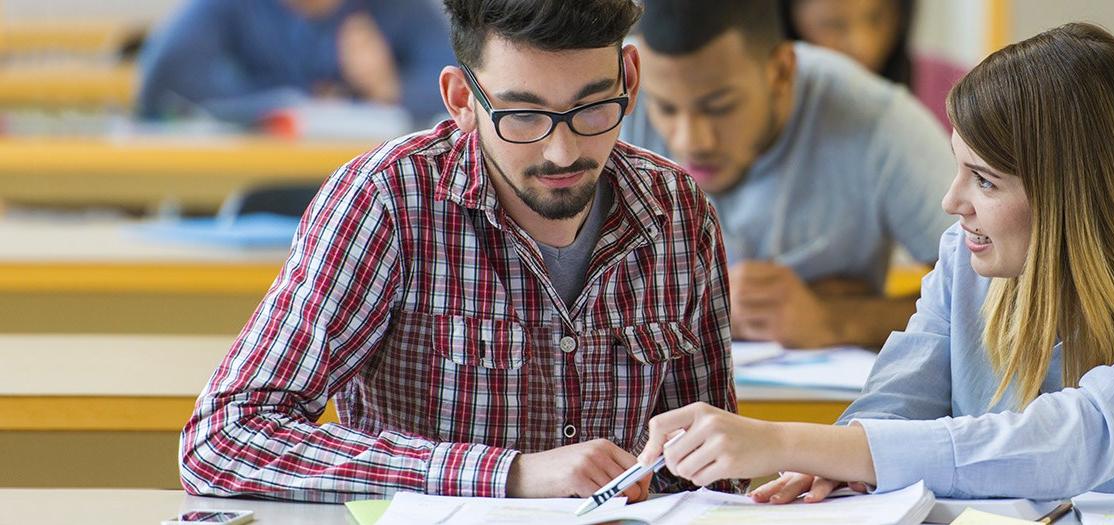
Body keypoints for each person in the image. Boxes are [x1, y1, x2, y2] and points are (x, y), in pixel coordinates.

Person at [635, 22, 1114, 501]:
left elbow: (1072, 443)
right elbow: (900, 395)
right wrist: (841, 460)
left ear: (1073, 195)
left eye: (983, 180)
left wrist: (786, 441)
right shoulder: (968, 259)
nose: (952, 202)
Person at [179, 0, 738, 503]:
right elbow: (224, 438)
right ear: (461, 100)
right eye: (523, 115)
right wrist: (510, 474)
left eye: (593, 108)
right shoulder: (387, 200)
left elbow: (710, 473)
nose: (562, 151)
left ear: (630, 80)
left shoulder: (678, 213)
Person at [621, 0, 955, 349]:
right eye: (665, 107)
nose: (690, 140)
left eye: (719, 107)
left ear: (780, 71)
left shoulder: (880, 122)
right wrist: (696, 308)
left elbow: (992, 292)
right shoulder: (617, 99)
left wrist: (836, 319)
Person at [135, 0, 454, 125]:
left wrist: (388, 89)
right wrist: (281, 104)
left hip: (364, 170)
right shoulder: (228, 7)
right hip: (251, 168)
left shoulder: (399, 8)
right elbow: (165, 81)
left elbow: (461, 84)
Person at [780, 0, 968, 130]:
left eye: (876, 18)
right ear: (790, 24)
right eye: (834, 25)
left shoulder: (959, 88)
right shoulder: (770, 112)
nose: (863, 45)